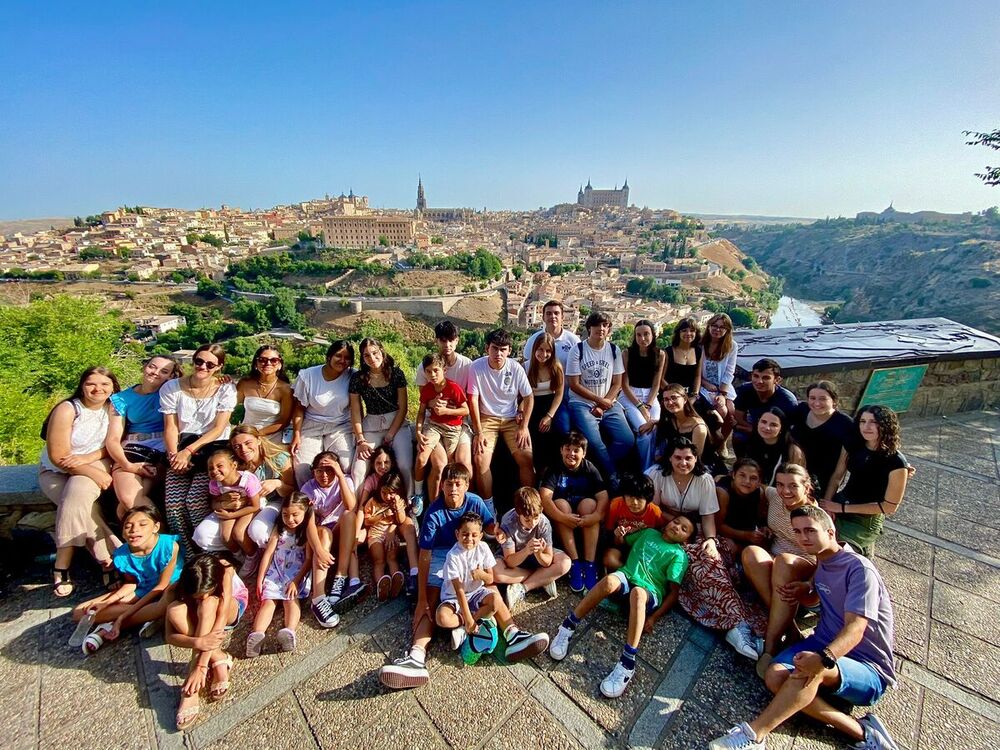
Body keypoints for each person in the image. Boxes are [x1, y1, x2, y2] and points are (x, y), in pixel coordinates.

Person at [709, 506, 899, 750]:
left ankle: (754, 734)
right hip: (821, 642)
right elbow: (821, 599)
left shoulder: (859, 569)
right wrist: (806, 593)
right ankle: (862, 730)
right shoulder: (823, 561)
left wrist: (824, 658)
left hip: (867, 666)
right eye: (797, 532)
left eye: (810, 530)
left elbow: (855, 629)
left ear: (830, 531)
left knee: (808, 670)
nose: (803, 538)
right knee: (775, 676)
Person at [379, 463, 499, 690]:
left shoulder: (475, 501)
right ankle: (416, 656)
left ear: (466, 485)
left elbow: (490, 525)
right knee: (431, 598)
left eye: (458, 484)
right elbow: (425, 556)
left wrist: (498, 531)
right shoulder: (433, 512)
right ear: (441, 485)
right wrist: (423, 597)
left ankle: (511, 631)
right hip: (440, 553)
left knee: (492, 585)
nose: (453, 488)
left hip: (470, 548)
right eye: (449, 483)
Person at [549, 516, 694, 698]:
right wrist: (622, 533)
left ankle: (627, 662)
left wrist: (654, 617)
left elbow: (674, 592)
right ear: (667, 523)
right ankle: (568, 625)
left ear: (686, 540)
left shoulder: (678, 554)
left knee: (638, 594)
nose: (677, 527)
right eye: (676, 522)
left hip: (649, 592)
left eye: (684, 528)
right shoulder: (649, 533)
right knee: (609, 580)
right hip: (626, 577)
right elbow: (623, 541)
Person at [39, 366, 121, 596]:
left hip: (96, 462)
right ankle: (109, 560)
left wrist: (89, 461)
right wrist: (92, 472)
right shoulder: (68, 409)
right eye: (91, 384)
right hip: (56, 470)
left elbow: (113, 445)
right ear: (82, 386)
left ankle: (61, 566)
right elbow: (58, 455)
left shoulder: (115, 408)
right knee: (84, 510)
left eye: (105, 384)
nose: (98, 389)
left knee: (76, 495)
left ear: (113, 386)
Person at [437, 511, 551, 658]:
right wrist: (469, 619)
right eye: (465, 534)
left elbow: (490, 579)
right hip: (454, 597)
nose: (469, 539)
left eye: (474, 535)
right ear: (457, 534)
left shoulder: (483, 548)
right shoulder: (453, 556)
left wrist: (481, 575)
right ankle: (472, 624)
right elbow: (459, 591)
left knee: (496, 600)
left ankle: (469, 628)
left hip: (475, 593)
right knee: (442, 618)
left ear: (480, 536)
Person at [160, 344, 237, 557]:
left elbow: (219, 427)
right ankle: (187, 555)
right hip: (181, 446)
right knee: (174, 507)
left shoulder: (225, 388)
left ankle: (208, 553)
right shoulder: (172, 388)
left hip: (211, 448)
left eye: (210, 364)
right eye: (199, 361)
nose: (203, 366)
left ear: (219, 367)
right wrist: (174, 455)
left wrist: (189, 452)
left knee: (194, 501)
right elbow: (171, 426)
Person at [71, 506, 182, 654]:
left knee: (162, 605)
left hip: (168, 588)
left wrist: (122, 616)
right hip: (143, 588)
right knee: (80, 613)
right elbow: (131, 582)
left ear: (156, 527)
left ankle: (109, 626)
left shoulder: (169, 546)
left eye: (142, 525)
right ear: (122, 532)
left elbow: (161, 585)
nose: (134, 530)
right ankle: (149, 617)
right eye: (128, 526)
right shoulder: (121, 554)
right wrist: (107, 603)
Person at [741, 465, 819, 666]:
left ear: (806, 487)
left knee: (784, 561)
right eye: (781, 484)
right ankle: (791, 629)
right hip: (774, 561)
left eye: (793, 486)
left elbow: (827, 557)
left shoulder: (814, 516)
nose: (786, 491)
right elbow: (758, 484)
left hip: (801, 567)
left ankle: (771, 646)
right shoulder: (775, 496)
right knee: (751, 553)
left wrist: (810, 584)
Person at [166, 553, 248, 729]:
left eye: (204, 593)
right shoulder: (184, 584)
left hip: (232, 608)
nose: (201, 597)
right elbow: (169, 636)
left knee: (209, 603)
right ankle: (219, 657)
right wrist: (198, 643)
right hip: (203, 618)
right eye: (197, 596)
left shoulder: (224, 571)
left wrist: (200, 668)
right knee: (173, 610)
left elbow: (220, 623)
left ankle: (190, 691)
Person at [821, 405, 908, 557]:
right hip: (840, 503)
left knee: (835, 553)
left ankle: (862, 552)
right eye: (862, 421)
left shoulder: (896, 462)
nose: (866, 427)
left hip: (866, 518)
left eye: (873, 422)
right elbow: (837, 476)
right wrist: (827, 506)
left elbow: (889, 506)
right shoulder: (853, 444)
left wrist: (840, 508)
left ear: (885, 425)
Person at [467, 328, 535, 515]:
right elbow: (472, 399)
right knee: (481, 460)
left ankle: (528, 505)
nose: (498, 353)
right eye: (494, 348)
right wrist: (478, 432)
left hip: (511, 418)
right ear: (487, 348)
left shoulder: (515, 368)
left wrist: (524, 426)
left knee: (526, 457)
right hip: (487, 419)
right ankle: (489, 509)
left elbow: (528, 397)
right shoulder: (476, 367)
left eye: (502, 349)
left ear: (509, 351)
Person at [106, 355, 182, 517]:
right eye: (152, 367)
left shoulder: (172, 393)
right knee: (128, 499)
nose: (155, 373)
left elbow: (201, 381)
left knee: (126, 507)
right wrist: (126, 465)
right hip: (133, 450)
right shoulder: (121, 399)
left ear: (170, 376)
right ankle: (164, 540)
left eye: (164, 371)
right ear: (144, 367)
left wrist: (221, 380)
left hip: (163, 450)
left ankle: (156, 539)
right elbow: (113, 439)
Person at [566, 311, 635, 488]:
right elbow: (574, 384)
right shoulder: (579, 350)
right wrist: (599, 401)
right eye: (597, 325)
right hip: (582, 403)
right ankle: (612, 477)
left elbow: (617, 382)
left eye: (605, 325)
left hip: (608, 402)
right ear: (589, 328)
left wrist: (604, 404)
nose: (601, 329)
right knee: (596, 443)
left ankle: (597, 467)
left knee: (627, 439)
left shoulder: (613, 350)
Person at [539, 430, 609, 592]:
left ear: (583, 453)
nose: (571, 453)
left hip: (583, 513)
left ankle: (590, 564)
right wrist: (563, 517)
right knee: (560, 504)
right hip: (564, 515)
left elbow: (603, 497)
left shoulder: (589, 468)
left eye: (576, 450)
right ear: (561, 450)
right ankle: (575, 563)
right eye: (568, 449)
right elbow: (545, 497)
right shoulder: (555, 468)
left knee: (590, 504)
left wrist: (596, 516)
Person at [300, 451, 363, 625]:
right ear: (313, 471)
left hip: (341, 532)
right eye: (320, 470)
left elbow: (351, 506)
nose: (325, 475)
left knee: (350, 515)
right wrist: (319, 550)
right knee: (324, 533)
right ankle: (318, 597)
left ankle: (340, 578)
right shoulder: (308, 489)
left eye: (330, 470)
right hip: (319, 536)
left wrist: (341, 476)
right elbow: (308, 524)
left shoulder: (345, 480)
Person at [246, 493, 312, 657]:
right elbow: (268, 554)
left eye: (295, 515)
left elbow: (309, 559)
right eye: (285, 515)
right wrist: (260, 578)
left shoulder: (307, 532)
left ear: (305, 511)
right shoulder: (279, 528)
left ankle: (289, 631)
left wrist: (296, 581)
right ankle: (257, 634)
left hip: (295, 572)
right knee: (268, 601)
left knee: (291, 600)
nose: (290, 519)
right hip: (276, 570)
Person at [414, 320, 475, 494]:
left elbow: (470, 402)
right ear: (436, 341)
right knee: (439, 465)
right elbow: (424, 401)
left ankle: (467, 500)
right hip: (433, 423)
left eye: (451, 339)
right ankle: (428, 502)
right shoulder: (425, 367)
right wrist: (421, 427)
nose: (447, 344)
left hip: (459, 423)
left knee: (464, 464)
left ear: (457, 341)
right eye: (442, 340)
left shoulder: (467, 365)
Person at [349, 337, 414, 495]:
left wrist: (391, 434)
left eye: (374, 353)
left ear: (382, 351)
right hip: (371, 425)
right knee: (358, 469)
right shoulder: (358, 378)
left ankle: (410, 501)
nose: (372, 358)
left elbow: (403, 407)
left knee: (405, 464)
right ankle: (357, 507)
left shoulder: (396, 374)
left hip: (397, 425)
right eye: (366, 355)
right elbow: (356, 411)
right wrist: (360, 440)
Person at [493, 487, 572, 608]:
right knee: (495, 572)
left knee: (565, 563)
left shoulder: (543, 523)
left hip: (536, 557)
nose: (532, 523)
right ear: (518, 513)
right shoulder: (508, 521)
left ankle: (522, 588)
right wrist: (526, 551)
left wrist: (539, 553)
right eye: (527, 520)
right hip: (517, 556)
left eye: (536, 518)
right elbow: (510, 561)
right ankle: (543, 579)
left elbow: (547, 561)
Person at [290, 340, 356, 486]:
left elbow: (358, 407)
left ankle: (337, 501)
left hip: (340, 425)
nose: (342, 361)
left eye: (347, 358)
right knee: (303, 469)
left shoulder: (352, 376)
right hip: (311, 426)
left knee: (345, 465)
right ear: (329, 356)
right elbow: (299, 409)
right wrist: (296, 434)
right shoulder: (308, 376)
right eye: (338, 356)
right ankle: (308, 500)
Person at [230, 425, 296, 556]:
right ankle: (248, 557)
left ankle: (270, 557)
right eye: (237, 446)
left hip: (275, 501)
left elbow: (293, 491)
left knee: (256, 531)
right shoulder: (238, 464)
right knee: (230, 532)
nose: (243, 450)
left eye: (248, 443)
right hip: (250, 503)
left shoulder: (278, 458)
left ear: (258, 440)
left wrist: (277, 483)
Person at [414, 352, 469, 504]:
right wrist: (418, 432)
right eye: (428, 371)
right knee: (422, 457)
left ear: (444, 370)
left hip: (453, 429)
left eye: (436, 370)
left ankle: (449, 500)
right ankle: (418, 494)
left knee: (449, 466)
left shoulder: (453, 388)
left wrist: (447, 411)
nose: (432, 374)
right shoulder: (427, 390)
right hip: (434, 426)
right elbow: (421, 412)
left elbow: (466, 410)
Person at [522, 300, 580, 435]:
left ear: (562, 317)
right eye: (548, 313)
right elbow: (527, 369)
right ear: (543, 317)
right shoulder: (533, 340)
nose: (552, 317)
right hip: (535, 396)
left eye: (556, 313)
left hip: (564, 396)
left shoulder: (573, 341)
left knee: (563, 429)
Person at [788, 381, 855, 497]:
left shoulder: (845, 424)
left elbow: (840, 471)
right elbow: (785, 431)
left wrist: (827, 500)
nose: (817, 403)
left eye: (823, 399)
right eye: (812, 398)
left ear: (834, 401)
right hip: (793, 472)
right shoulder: (802, 410)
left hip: (820, 481)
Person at [363, 472, 419, 601]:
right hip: (376, 534)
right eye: (384, 492)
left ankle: (396, 579)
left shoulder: (400, 501)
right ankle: (381, 583)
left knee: (392, 557)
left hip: (392, 534)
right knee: (379, 559)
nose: (387, 496)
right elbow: (367, 521)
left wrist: (397, 508)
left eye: (391, 493)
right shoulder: (373, 502)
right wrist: (382, 515)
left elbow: (400, 520)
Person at [619, 319, 666, 470]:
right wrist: (641, 407)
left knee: (656, 428)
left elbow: (656, 384)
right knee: (644, 433)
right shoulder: (627, 353)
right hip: (630, 396)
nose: (642, 339)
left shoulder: (660, 354)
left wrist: (649, 404)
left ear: (653, 334)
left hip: (651, 396)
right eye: (638, 335)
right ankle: (646, 470)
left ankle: (657, 467)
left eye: (646, 334)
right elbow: (624, 385)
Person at [200, 447, 263, 555]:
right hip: (230, 509)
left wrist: (231, 516)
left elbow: (255, 506)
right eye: (210, 468)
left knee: (238, 533)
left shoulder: (247, 480)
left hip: (249, 508)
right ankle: (240, 557)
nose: (214, 471)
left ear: (233, 465)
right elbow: (213, 502)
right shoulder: (215, 484)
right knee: (225, 537)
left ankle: (252, 556)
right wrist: (223, 502)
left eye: (219, 466)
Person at [733, 358, 798, 455]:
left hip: (776, 432)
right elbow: (738, 418)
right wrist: (753, 429)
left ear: (777, 380)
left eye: (766, 378)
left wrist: (757, 431)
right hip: (755, 424)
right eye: (756, 376)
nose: (759, 381)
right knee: (738, 437)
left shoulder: (787, 401)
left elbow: (788, 430)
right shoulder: (745, 390)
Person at [603, 472, 664, 572]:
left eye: (639, 498)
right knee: (609, 559)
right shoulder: (615, 505)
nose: (634, 502)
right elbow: (609, 531)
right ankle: (629, 573)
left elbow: (659, 534)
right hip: (621, 545)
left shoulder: (655, 511)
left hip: (643, 550)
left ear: (647, 498)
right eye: (630, 497)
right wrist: (617, 535)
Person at [524, 332, 565, 475]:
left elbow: (559, 394)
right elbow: (521, 396)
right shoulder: (526, 367)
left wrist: (549, 416)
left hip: (551, 404)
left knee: (556, 433)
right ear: (534, 349)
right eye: (540, 349)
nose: (544, 354)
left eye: (548, 351)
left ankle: (552, 473)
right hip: (532, 404)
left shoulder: (556, 367)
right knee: (533, 435)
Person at [657, 382, 720, 472]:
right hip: (677, 463)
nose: (670, 402)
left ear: (685, 399)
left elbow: (695, 460)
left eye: (674, 398)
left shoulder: (698, 427)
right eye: (666, 399)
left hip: (699, 467)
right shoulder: (671, 419)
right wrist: (652, 423)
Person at [235, 345, 293, 440]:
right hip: (246, 436)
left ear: (279, 365)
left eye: (274, 360)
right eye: (262, 360)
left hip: (272, 437)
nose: (268, 363)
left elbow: (284, 421)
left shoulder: (285, 390)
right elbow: (229, 406)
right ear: (255, 363)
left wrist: (256, 434)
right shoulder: (245, 384)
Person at [698, 313, 738, 442]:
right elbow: (695, 370)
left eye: (722, 327)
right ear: (708, 326)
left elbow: (729, 371)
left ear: (727, 330)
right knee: (721, 411)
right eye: (714, 326)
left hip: (722, 385)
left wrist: (722, 394)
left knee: (730, 411)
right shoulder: (700, 344)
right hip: (702, 384)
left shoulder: (731, 346)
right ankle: (709, 438)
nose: (717, 329)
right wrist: (705, 383)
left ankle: (721, 442)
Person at [743, 407, 806, 485]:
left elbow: (797, 482)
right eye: (763, 422)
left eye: (773, 425)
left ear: (781, 428)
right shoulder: (753, 442)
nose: (767, 428)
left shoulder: (792, 450)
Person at [716, 458, 768, 551]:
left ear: (759, 482)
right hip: (725, 533)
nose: (747, 481)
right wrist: (745, 535)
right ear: (733, 475)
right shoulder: (723, 492)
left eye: (753, 478)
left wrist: (763, 528)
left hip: (748, 532)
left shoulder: (759, 493)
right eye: (742, 475)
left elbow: (759, 518)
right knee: (730, 547)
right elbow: (717, 526)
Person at [662, 317, 702, 398]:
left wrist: (695, 395)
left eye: (692, 330)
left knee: (713, 410)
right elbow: (661, 379)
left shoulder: (698, 351)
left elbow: (698, 376)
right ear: (678, 333)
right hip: (671, 395)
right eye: (684, 331)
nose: (688, 333)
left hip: (690, 395)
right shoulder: (668, 351)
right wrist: (676, 395)